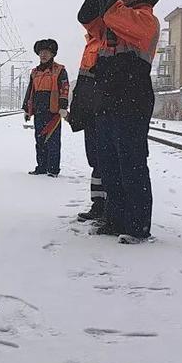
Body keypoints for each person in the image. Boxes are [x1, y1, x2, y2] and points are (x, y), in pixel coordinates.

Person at [78, 0, 163, 244]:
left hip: (132, 99)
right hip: (107, 98)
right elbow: (88, 16)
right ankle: (115, 220)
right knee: (110, 162)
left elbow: (113, 13)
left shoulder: (146, 20)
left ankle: (137, 226)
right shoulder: (115, 18)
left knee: (132, 163)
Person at [68, 25, 107, 221]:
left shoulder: (106, 40)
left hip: (101, 111)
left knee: (103, 161)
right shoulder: (91, 43)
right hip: (91, 112)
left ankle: (108, 206)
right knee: (95, 160)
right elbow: (84, 82)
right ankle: (99, 204)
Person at [22, 39, 70, 177]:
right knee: (40, 140)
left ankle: (53, 169)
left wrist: (63, 106)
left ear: (52, 54)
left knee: (53, 141)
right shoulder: (34, 72)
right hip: (39, 111)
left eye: (47, 52)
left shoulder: (60, 70)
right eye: (41, 52)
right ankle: (41, 167)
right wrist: (27, 109)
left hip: (53, 111)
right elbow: (30, 90)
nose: (43, 55)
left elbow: (65, 88)